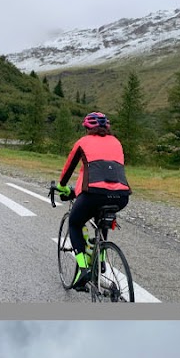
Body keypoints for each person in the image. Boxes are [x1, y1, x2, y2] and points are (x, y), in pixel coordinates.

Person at [52, 112, 131, 291]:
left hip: (93, 194)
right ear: (107, 127)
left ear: (87, 128)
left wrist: (62, 186)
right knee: (103, 220)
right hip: (121, 196)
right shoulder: (117, 142)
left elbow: (68, 170)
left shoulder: (83, 142)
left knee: (74, 222)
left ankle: (82, 269)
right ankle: (100, 260)